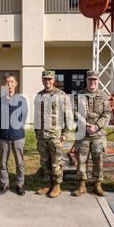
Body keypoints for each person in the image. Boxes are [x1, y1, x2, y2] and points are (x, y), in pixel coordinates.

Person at [34, 70, 74, 198]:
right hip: (41, 136)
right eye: (45, 79)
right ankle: (47, 184)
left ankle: (57, 185)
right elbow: (36, 116)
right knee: (45, 161)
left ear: (53, 80)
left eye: (50, 79)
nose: (47, 81)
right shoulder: (39, 95)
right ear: (42, 80)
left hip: (55, 135)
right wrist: (36, 131)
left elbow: (68, 116)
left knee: (56, 162)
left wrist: (66, 133)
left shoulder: (61, 95)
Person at [71, 70, 111, 197]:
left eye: (95, 80)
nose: (92, 82)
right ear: (86, 80)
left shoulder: (104, 96)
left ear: (98, 81)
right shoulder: (78, 95)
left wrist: (96, 126)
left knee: (98, 159)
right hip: (83, 133)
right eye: (90, 79)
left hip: (98, 134)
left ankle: (97, 185)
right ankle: (82, 185)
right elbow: (74, 112)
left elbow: (107, 114)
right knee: (81, 159)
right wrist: (86, 125)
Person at [0, 73, 28, 196]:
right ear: (4, 84)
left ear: (16, 84)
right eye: (7, 82)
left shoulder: (22, 100)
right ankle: (5, 185)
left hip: (18, 136)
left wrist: (16, 128)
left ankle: (20, 185)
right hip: (3, 136)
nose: (9, 84)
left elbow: (23, 117)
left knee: (19, 163)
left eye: (12, 82)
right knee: (3, 162)